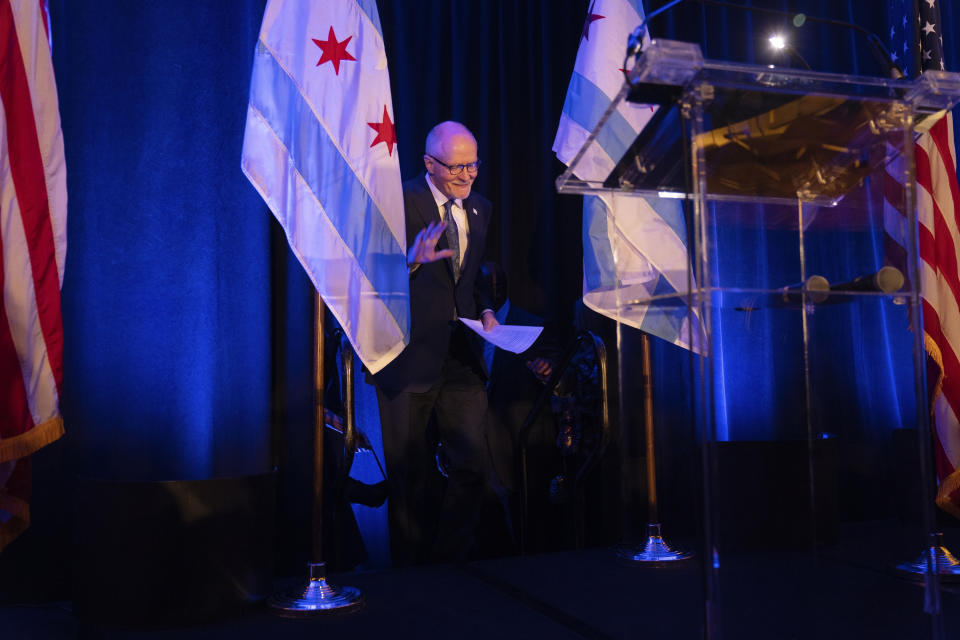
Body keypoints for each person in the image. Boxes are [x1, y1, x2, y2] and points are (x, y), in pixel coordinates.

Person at [372, 121, 497, 566]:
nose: (467, 175)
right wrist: (409, 262)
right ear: (429, 163)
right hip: (407, 359)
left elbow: (472, 280)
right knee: (409, 477)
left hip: (461, 356)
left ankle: (448, 565)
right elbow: (367, 273)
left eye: (473, 164)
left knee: (473, 468)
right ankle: (410, 576)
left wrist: (485, 310)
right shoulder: (398, 200)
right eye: (456, 167)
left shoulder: (479, 207)